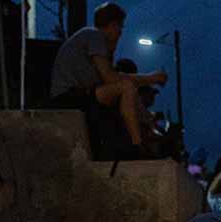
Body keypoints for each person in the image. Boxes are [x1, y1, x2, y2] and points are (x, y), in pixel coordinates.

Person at [50, 2, 168, 154]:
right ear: (112, 24)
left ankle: (146, 130)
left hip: (80, 92)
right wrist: (151, 78)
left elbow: (112, 77)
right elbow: (110, 78)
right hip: (68, 96)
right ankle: (137, 144)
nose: (121, 32)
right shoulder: (94, 35)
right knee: (126, 88)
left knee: (126, 90)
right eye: (120, 26)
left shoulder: (92, 40)